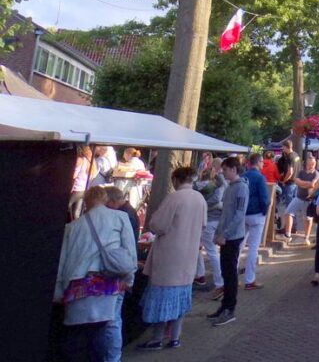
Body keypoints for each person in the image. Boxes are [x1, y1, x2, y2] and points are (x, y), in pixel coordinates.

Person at [54, 186, 137, 361]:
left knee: (76, 337)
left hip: (77, 285)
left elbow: (62, 261)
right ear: (106, 199)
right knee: (104, 331)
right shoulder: (120, 218)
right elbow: (130, 253)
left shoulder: (72, 227)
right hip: (107, 284)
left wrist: (58, 291)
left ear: (87, 202)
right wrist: (128, 280)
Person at [138, 167, 207, 350]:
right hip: (189, 255)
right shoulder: (199, 198)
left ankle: (157, 338)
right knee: (180, 299)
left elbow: (157, 224)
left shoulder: (174, 197)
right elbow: (203, 225)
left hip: (170, 256)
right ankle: (175, 337)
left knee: (162, 298)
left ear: (176, 179)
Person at [207, 157, 249, 326]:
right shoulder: (230, 187)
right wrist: (218, 232)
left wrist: (225, 233)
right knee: (226, 272)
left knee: (230, 273)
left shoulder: (241, 188)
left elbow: (239, 214)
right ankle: (224, 306)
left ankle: (229, 309)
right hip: (226, 235)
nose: (223, 173)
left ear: (233, 169)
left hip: (233, 237)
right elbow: (226, 213)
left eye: (225, 170)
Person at [194, 158, 228, 299]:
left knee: (209, 250)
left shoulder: (197, 188)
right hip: (213, 220)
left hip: (207, 221)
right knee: (207, 249)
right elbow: (218, 198)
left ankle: (219, 282)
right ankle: (202, 276)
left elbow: (215, 199)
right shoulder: (218, 185)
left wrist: (204, 206)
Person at [242, 153, 269, 290]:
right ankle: (249, 280)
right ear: (258, 162)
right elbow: (264, 198)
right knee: (253, 248)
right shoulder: (260, 177)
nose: (263, 164)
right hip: (257, 214)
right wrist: (265, 211)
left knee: (239, 247)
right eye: (262, 162)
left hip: (243, 215)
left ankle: (229, 278)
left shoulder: (243, 176)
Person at [280, 156, 319, 245]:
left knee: (308, 219)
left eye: (313, 164)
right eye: (309, 164)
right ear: (306, 164)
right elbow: (297, 181)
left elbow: (313, 184)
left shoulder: (316, 173)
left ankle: (306, 237)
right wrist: (306, 184)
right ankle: (288, 235)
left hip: (308, 200)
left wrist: (303, 184)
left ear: (315, 164)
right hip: (298, 197)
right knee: (288, 212)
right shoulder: (301, 172)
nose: (311, 165)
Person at [69, 146, 99, 220]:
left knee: (67, 206)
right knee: (77, 211)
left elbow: (74, 176)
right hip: (84, 189)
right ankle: (76, 225)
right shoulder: (92, 162)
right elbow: (93, 176)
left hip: (76, 188)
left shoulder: (81, 160)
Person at [276, 140, 301, 215]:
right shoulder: (296, 155)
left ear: (286, 147)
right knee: (294, 205)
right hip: (296, 183)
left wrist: (284, 181)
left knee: (289, 205)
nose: (283, 149)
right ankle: (294, 224)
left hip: (290, 183)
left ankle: (289, 225)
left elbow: (290, 171)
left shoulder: (290, 156)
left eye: (283, 148)